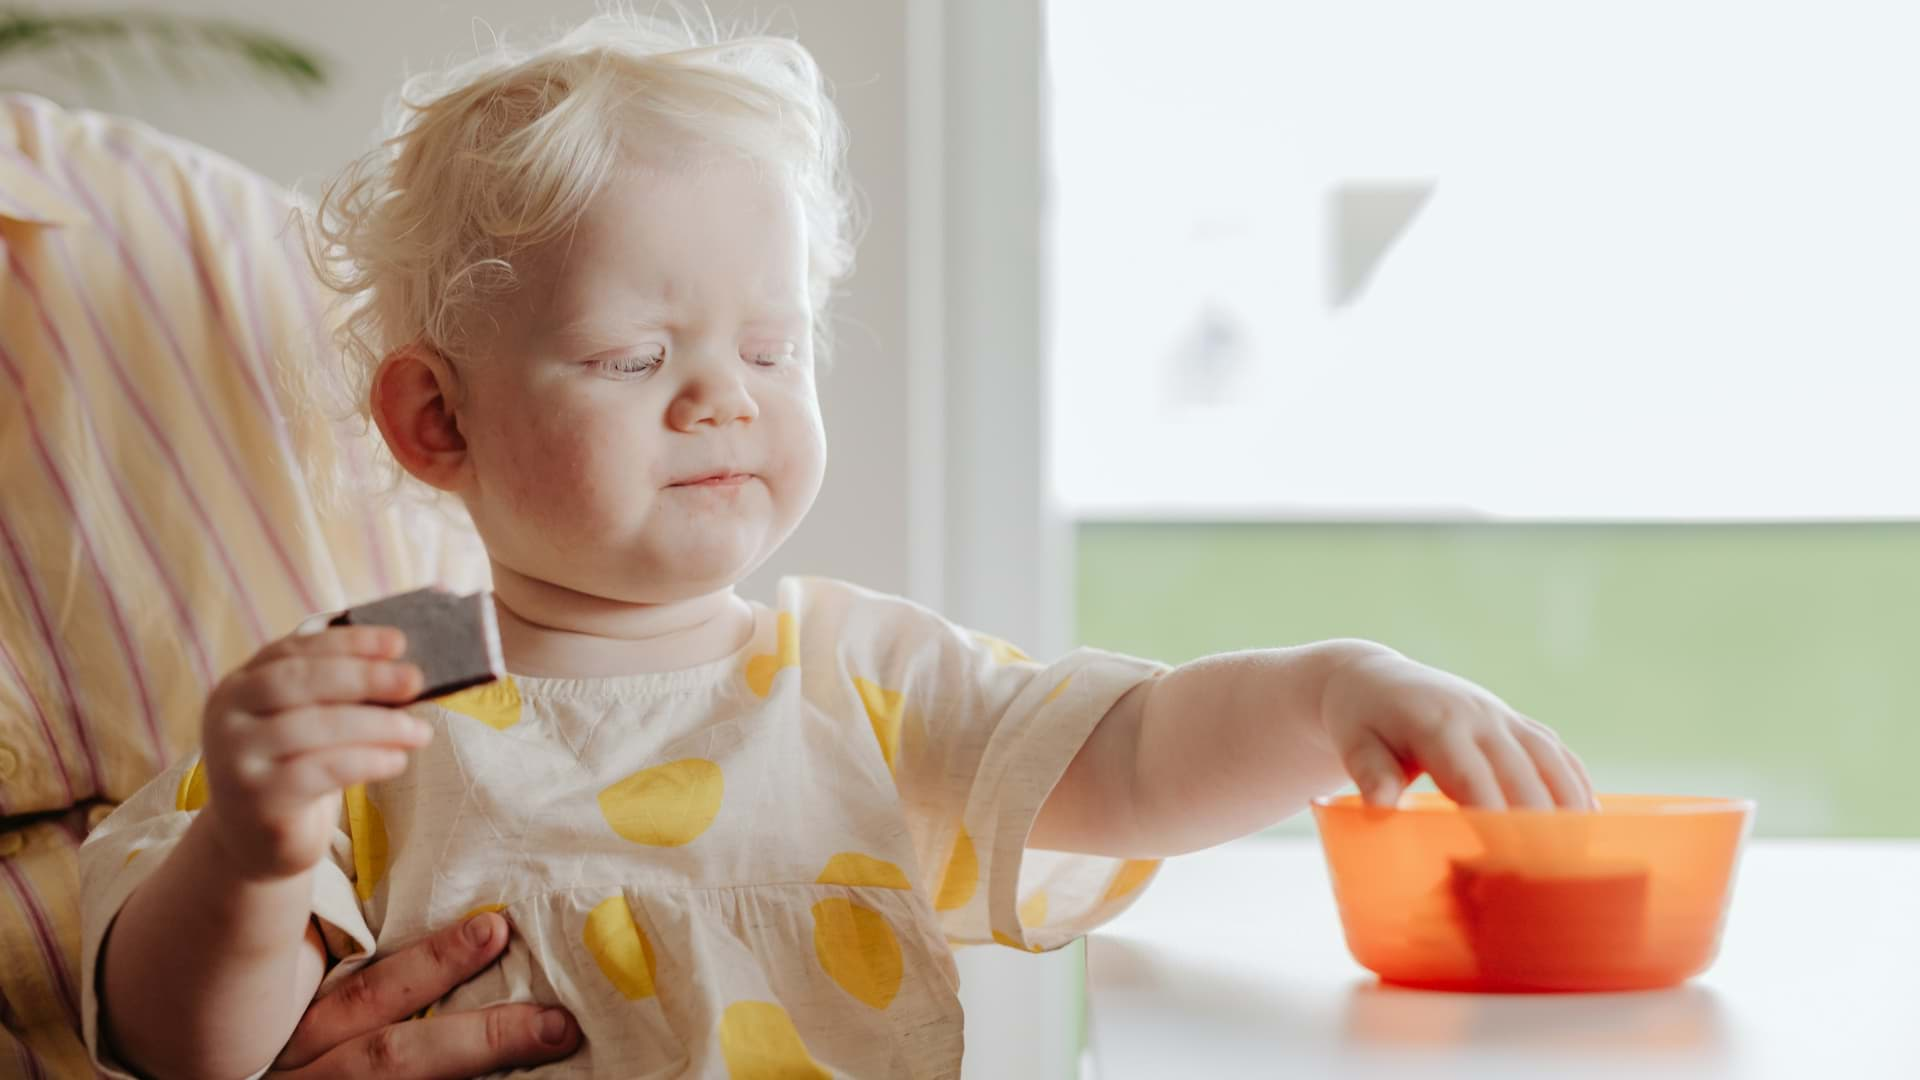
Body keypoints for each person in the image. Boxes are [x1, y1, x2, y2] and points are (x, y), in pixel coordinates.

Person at [78, 9, 1597, 1078]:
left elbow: (1132, 758)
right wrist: (251, 852)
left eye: (771, 349)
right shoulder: (366, 699)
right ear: (434, 423)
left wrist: (1334, 691)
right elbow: (184, 1047)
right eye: (629, 356)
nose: (720, 401)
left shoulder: (861, 679)